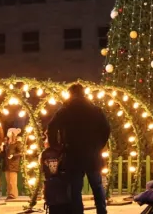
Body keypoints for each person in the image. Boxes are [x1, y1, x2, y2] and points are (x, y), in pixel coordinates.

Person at [47, 84, 111, 214]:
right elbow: (106, 129)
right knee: (97, 186)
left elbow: (51, 127)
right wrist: (99, 145)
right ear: (84, 93)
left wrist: (56, 147)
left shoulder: (65, 110)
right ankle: (101, 211)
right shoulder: (95, 110)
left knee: (75, 189)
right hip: (92, 154)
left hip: (73, 154)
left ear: (70, 94)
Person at [4, 128, 22, 200]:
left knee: (12, 180)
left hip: (13, 164)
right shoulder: (7, 144)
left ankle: (13, 194)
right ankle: (9, 193)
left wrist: (13, 155)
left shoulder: (17, 143)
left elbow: (21, 152)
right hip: (7, 164)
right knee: (8, 180)